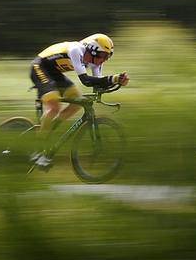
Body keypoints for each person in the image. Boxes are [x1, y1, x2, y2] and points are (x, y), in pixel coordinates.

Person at [28, 33, 129, 169]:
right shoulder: (76, 50)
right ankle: (38, 148)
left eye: (108, 57)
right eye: (103, 56)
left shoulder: (94, 62)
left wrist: (118, 81)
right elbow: (86, 81)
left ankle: (49, 128)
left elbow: (97, 84)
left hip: (55, 74)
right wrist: (113, 79)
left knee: (77, 103)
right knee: (54, 107)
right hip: (39, 67)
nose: (104, 61)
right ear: (93, 50)